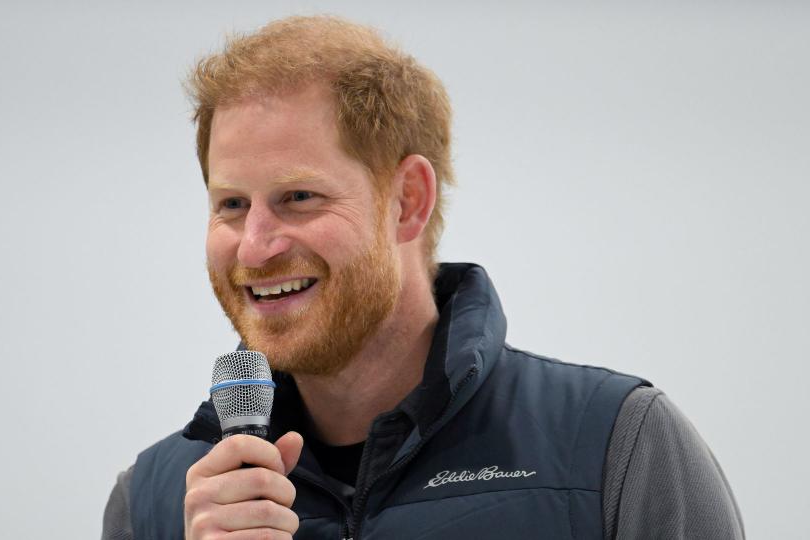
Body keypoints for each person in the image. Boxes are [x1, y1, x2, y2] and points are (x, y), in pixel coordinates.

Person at [103, 15, 743, 540]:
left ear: (408, 200)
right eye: (232, 204)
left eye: (299, 197)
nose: (255, 246)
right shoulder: (154, 503)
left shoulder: (614, 447)